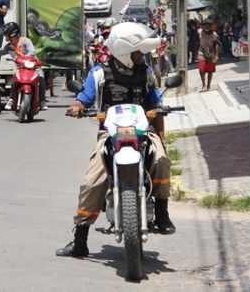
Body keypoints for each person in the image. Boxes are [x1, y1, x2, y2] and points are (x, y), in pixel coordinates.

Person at [57, 22, 175, 258]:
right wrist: (77, 106)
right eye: (138, 52)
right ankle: (80, 239)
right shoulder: (99, 73)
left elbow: (155, 104)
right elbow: (85, 97)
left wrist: (161, 139)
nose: (141, 56)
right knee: (92, 182)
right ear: (124, 51)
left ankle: (162, 213)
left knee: (162, 161)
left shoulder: (146, 73)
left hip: (143, 130)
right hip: (110, 134)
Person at [0, 22, 48, 111]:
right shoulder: (9, 46)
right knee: (14, 80)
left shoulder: (25, 41)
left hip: (34, 67)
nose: (4, 36)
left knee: (41, 79)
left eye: (6, 34)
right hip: (21, 69)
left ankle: (42, 101)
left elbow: (32, 52)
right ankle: (11, 100)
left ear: (12, 34)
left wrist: (22, 59)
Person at [197, 18, 220, 91]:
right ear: (203, 26)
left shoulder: (214, 34)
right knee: (201, 69)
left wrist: (216, 56)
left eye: (208, 25)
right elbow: (196, 42)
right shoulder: (200, 33)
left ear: (210, 26)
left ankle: (208, 86)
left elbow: (216, 45)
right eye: (205, 25)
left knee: (210, 70)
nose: (206, 27)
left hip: (211, 53)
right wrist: (195, 53)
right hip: (201, 52)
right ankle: (203, 85)